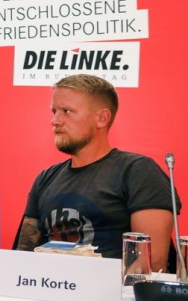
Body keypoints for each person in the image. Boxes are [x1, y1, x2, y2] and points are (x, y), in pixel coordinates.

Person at [16, 74, 179, 272]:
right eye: (54, 111)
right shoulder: (45, 178)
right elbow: (22, 256)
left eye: (67, 111)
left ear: (102, 118)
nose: (55, 120)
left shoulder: (138, 171)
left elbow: (151, 264)